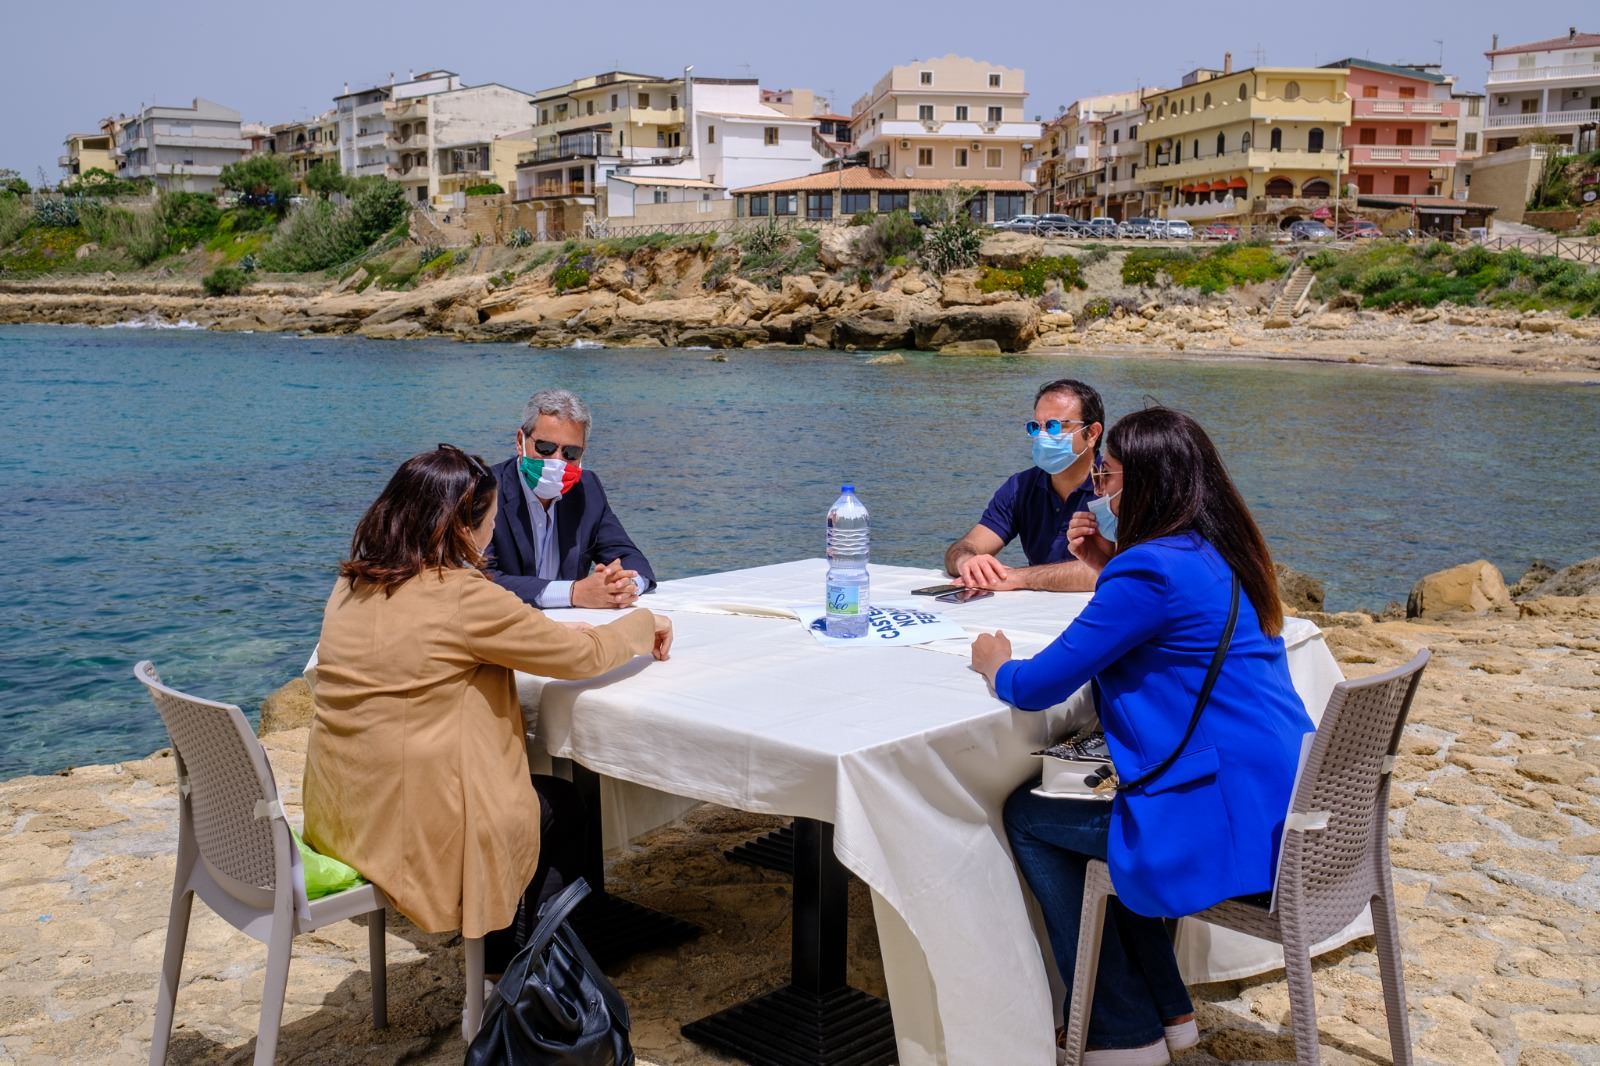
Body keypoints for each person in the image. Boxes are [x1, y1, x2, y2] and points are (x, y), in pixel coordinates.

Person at [969, 408, 1313, 1066]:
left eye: (1108, 475)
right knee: (1105, 818)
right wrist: (1110, 562)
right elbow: (1169, 615)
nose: (1100, 489)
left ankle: (1120, 1029)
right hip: (1278, 801)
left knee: (1030, 815)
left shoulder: (1148, 571)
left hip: (1218, 817)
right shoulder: (1223, 551)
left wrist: (995, 665)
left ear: (1147, 483)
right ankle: (1169, 1005)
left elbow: (1039, 685)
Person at [304, 444, 672, 968]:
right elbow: (581, 656)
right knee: (562, 807)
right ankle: (527, 965)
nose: (491, 534)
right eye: (490, 522)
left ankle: (523, 948)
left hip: (345, 814)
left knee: (543, 798)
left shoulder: (354, 582)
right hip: (414, 828)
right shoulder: (462, 595)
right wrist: (644, 623)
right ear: (462, 527)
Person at [488, 388, 655, 610]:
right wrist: (573, 593)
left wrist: (624, 586)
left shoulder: (587, 488)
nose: (557, 460)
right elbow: (479, 580)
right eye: (545, 448)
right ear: (521, 441)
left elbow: (628, 556)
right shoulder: (483, 491)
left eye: (571, 453)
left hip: (573, 629)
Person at [944, 379, 1106, 593]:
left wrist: (1018, 577)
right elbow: (965, 546)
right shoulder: (1020, 487)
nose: (1042, 436)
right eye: (1035, 427)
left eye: (1054, 426)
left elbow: (1110, 570)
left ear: (1092, 433)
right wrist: (967, 563)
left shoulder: (1118, 487)